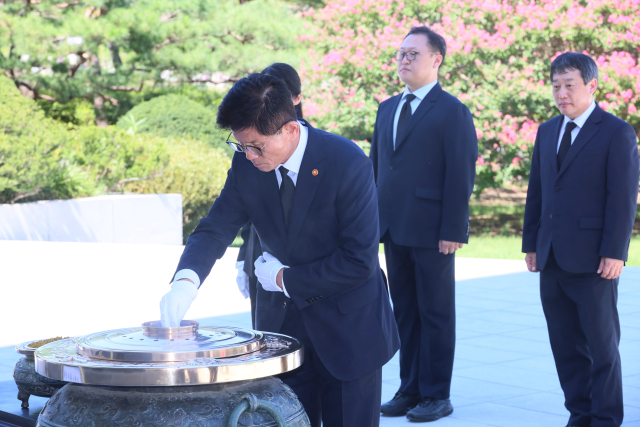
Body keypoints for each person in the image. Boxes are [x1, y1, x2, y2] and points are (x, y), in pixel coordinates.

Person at [159, 73, 400, 427]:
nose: (249, 155)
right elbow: (216, 227)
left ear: (290, 129)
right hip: (284, 334)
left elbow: (358, 262)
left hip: (349, 331)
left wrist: (284, 278)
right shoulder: (246, 164)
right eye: (240, 145)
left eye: (256, 145)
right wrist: (185, 281)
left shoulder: (346, 162)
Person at [523, 52, 639, 427]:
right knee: (565, 345)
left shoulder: (616, 131)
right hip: (551, 256)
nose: (561, 93)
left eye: (569, 85)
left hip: (593, 260)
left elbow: (621, 199)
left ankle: (605, 418)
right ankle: (581, 411)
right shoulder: (546, 131)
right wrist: (530, 244)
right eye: (556, 85)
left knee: (602, 347)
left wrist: (614, 252)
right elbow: (537, 193)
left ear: (591, 85)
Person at [370, 26, 477, 422]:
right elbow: (377, 169)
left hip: (434, 232)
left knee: (435, 313)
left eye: (413, 53)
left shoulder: (452, 111)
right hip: (393, 229)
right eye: (401, 52)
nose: (404, 59)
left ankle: (436, 394)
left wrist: (453, 229)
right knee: (405, 313)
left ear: (437, 59)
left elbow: (460, 174)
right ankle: (409, 389)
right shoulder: (387, 108)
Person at [235, 63, 304, 327]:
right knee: (265, 328)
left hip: (302, 269)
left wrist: (286, 278)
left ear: (296, 99)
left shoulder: (324, 152)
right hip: (260, 253)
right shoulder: (248, 151)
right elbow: (237, 211)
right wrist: (243, 257)